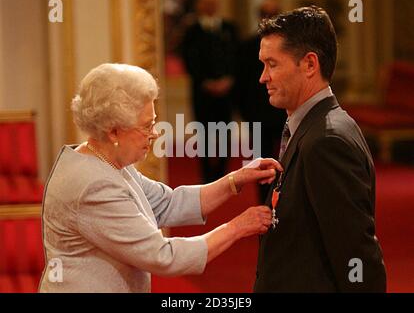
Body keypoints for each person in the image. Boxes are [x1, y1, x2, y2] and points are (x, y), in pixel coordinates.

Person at [38, 63, 281, 293]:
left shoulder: (107, 161)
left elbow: (168, 203)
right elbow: (163, 256)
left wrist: (235, 179)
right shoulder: (93, 184)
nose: (155, 134)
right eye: (146, 126)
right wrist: (237, 227)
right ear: (114, 131)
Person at [254, 6, 386, 292]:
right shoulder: (312, 126)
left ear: (310, 65)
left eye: (272, 64)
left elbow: (357, 256)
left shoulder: (327, 141)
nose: (263, 77)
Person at [181, 0, 239, 183]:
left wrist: (228, 80)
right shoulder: (192, 31)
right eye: (206, 3)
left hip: (226, 92)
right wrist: (205, 82)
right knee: (204, 133)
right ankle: (206, 173)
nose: (210, 6)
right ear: (199, 5)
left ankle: (222, 171)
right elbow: (187, 59)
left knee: (225, 131)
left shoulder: (229, 28)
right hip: (202, 92)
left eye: (213, 3)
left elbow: (236, 57)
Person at [236, 0, 287, 203]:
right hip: (257, 114)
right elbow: (241, 83)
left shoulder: (289, 49)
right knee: (261, 163)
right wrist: (245, 112)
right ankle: (264, 203)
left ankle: (285, 201)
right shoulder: (248, 46)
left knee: (287, 161)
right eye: (267, 16)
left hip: (284, 112)